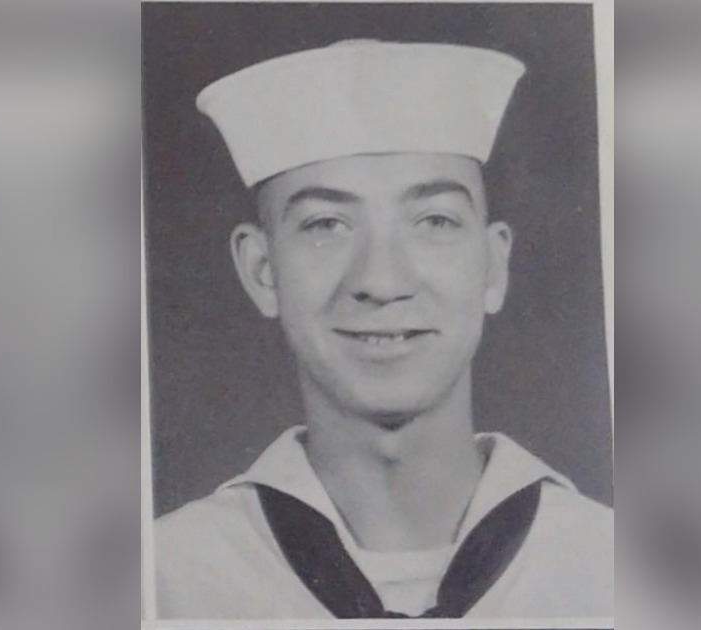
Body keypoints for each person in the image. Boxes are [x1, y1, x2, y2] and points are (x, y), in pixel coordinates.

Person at [153, 40, 612, 619]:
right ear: (262, 271)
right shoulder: (166, 579)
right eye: (326, 224)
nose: (382, 280)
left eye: (434, 220)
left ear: (494, 266)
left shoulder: (611, 568)